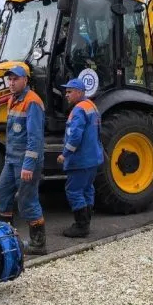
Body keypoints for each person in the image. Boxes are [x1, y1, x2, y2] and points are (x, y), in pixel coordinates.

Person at [0, 65, 48, 255]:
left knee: (27, 201)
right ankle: (7, 240)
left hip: (25, 162)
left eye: (15, 79)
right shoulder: (12, 100)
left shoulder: (32, 102)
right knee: (1, 196)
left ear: (25, 80)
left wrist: (28, 165)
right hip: (11, 160)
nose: (11, 83)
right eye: (10, 79)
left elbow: (35, 138)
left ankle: (38, 244)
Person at [57, 78, 104, 238]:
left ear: (79, 92)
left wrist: (65, 154)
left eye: (69, 92)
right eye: (66, 92)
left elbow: (75, 136)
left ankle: (81, 226)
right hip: (93, 158)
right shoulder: (91, 106)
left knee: (74, 191)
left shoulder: (78, 110)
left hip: (80, 160)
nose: (66, 95)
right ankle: (86, 221)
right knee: (87, 189)